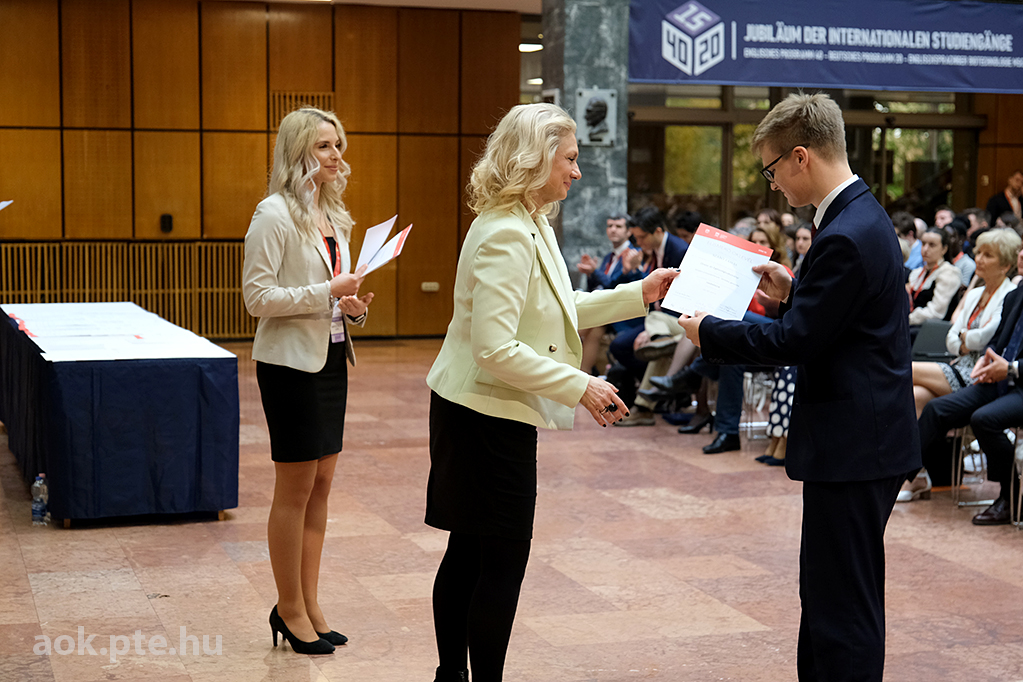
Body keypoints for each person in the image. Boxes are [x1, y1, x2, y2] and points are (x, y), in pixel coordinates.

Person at [424, 103, 677, 682]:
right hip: (481, 413)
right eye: (569, 158)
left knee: (472, 551)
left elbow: (557, 309)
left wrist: (641, 293)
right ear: (535, 159)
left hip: (485, 408)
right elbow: (494, 348)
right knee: (497, 558)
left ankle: (451, 676)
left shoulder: (528, 219)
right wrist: (581, 384)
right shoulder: (506, 233)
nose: (577, 171)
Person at [677, 93, 920, 682]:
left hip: (856, 443)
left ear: (801, 157)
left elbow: (794, 342)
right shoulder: (859, 214)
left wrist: (710, 332)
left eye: (771, 169)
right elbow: (839, 322)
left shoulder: (845, 232)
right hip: (861, 438)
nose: (773, 184)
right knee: (830, 594)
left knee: (843, 608)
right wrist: (794, 292)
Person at [243, 107, 374, 656]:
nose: (336, 155)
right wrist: (326, 294)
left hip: (331, 359)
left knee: (321, 486)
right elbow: (257, 298)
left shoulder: (334, 215)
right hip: (290, 367)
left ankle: (311, 604)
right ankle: (288, 607)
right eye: (324, 146)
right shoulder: (273, 214)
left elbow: (336, 295)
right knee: (294, 490)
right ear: (298, 151)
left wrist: (353, 307)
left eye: (338, 144)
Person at [900, 228, 1021, 502]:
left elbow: (987, 336)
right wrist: (965, 340)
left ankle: (892, 464)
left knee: (905, 371)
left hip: (978, 370)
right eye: (978, 252)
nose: (979, 259)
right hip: (958, 362)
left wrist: (964, 339)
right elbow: (951, 336)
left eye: (988, 255)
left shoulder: (1009, 293)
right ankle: (918, 476)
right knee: (915, 396)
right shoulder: (975, 293)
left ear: (1005, 264)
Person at [915, 279, 1023, 526]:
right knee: (936, 409)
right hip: (997, 380)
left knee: (984, 419)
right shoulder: (1015, 296)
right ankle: (902, 478)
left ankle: (1010, 496)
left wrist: (1011, 368)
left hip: (1019, 383)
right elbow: (997, 341)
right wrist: (987, 359)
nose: (1021, 259)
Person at [907, 227, 962, 328]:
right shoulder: (918, 272)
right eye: (923, 244)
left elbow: (936, 312)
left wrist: (906, 319)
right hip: (913, 324)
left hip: (932, 329)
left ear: (944, 249)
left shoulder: (949, 273)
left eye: (932, 245)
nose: (925, 249)